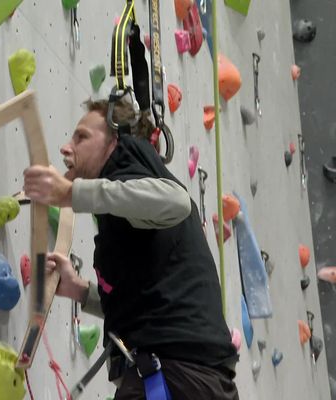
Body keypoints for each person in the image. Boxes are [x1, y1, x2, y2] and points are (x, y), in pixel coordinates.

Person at [23, 96, 239, 400]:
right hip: (182, 380)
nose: (66, 147)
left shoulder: (151, 192)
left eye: (82, 137)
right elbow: (152, 299)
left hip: (180, 378)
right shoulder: (131, 215)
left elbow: (176, 202)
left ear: (115, 143)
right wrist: (82, 291)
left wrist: (72, 193)